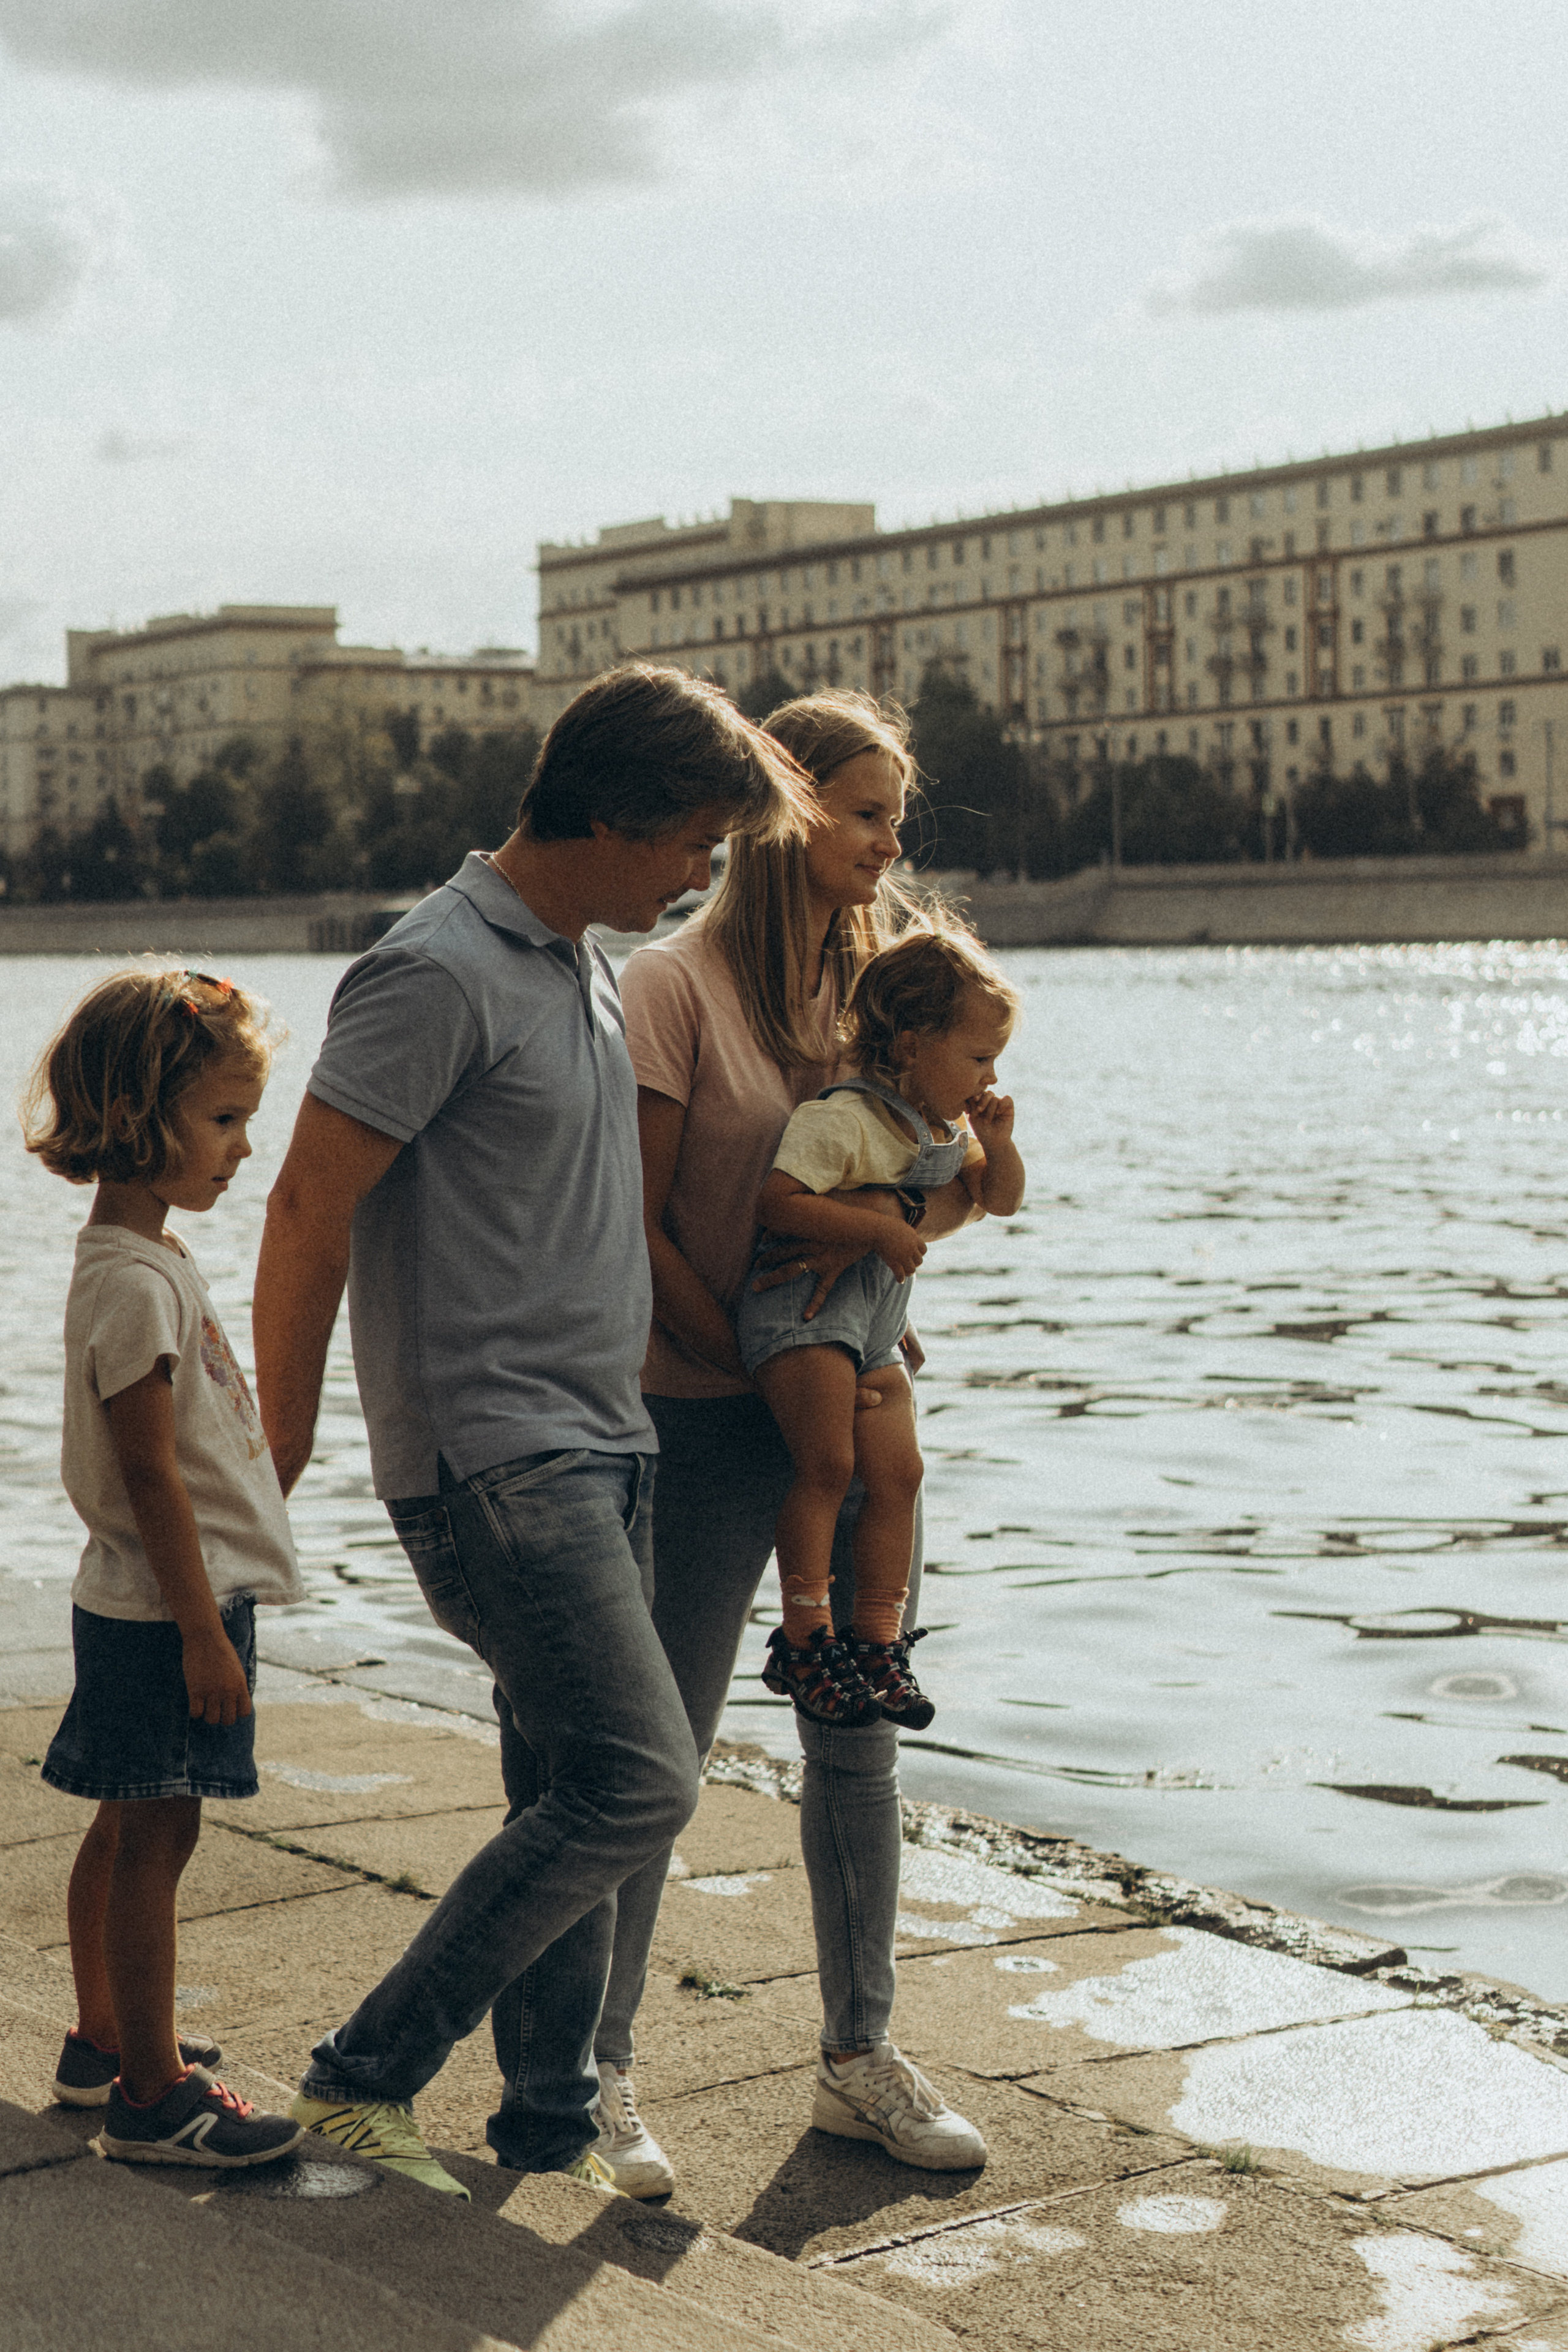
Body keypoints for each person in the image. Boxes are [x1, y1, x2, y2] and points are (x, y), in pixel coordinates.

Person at [252, 662, 812, 2196]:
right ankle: (359, 2080)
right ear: (616, 812)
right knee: (638, 1780)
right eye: (693, 839)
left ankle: (546, 2127)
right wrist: (277, 1452)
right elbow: (307, 1208)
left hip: (603, 1441)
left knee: (558, 1788)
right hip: (498, 1464)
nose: (702, 873)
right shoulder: (433, 967)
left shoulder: (574, 959)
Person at [589, 690, 992, 2198]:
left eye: (896, 814)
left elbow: (926, 1205)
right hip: (692, 1412)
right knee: (656, 1754)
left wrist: (887, 1288)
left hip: (843, 1395)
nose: (891, 842)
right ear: (784, 813)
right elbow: (628, 1227)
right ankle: (596, 2070)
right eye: (869, 812)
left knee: (856, 1732)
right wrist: (736, 1362)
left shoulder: (884, 994)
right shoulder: (668, 986)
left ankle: (857, 2058)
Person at [23, 968, 306, 2170]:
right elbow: (151, 1476)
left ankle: (103, 2037)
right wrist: (200, 1628)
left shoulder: (133, 1261)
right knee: (160, 1834)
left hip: (137, 1601)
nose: (244, 1147)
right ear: (143, 1119)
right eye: (224, 1119)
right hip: (162, 1608)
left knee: (124, 1817)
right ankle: (151, 2091)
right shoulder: (137, 1282)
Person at [740, 921, 1025, 1733]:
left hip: (871, 1328)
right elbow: (779, 1203)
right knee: (827, 1466)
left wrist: (999, 1148)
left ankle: (877, 1640)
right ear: (909, 1043)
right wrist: (879, 1231)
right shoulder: (844, 1118)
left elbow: (997, 1200)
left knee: (898, 1474)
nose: (989, 1076)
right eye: (977, 1057)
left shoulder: (946, 1130)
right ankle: (804, 1638)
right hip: (802, 1315)